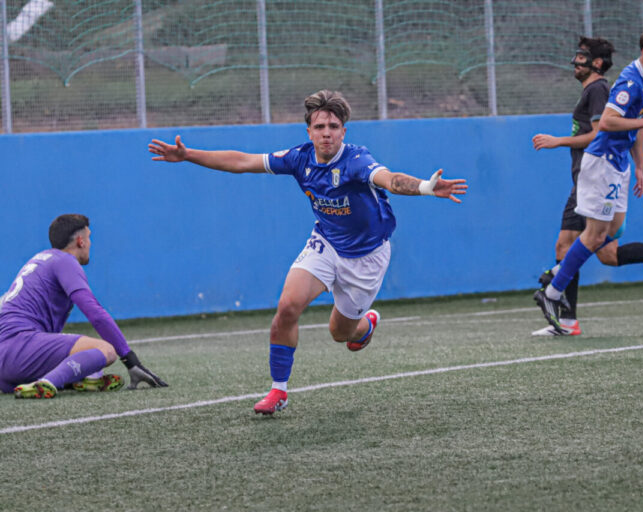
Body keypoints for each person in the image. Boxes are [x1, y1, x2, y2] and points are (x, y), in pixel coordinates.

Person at [148, 89, 467, 415]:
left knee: (340, 334)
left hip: (366, 257)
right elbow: (243, 161)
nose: (326, 133)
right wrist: (189, 155)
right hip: (325, 242)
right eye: (319, 127)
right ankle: (278, 391)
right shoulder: (300, 158)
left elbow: (388, 179)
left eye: (333, 126)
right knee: (287, 306)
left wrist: (426, 187)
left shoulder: (357, 160)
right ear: (309, 132)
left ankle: (364, 326)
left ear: (344, 131)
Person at [532, 36, 643, 336]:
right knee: (594, 237)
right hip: (602, 165)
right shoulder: (630, 83)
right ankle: (554, 292)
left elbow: (635, 130)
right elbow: (609, 123)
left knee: (608, 237)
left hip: (618, 165)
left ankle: (558, 277)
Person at [0, 214, 168, 398]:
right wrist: (131, 361)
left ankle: (82, 378)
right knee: (105, 350)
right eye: (89, 238)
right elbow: (95, 313)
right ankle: (46, 383)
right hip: (20, 347)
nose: (90, 243)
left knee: (84, 359)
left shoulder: (40, 259)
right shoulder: (65, 261)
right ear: (80, 241)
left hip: (8, 362)